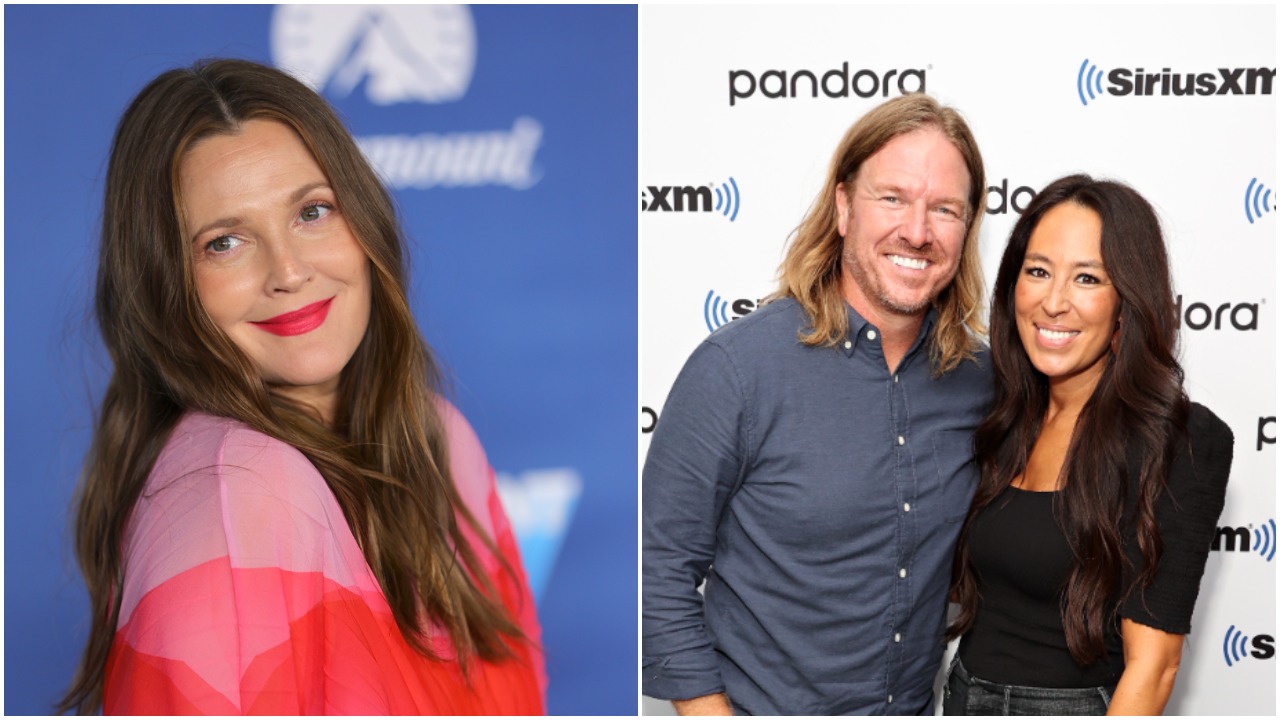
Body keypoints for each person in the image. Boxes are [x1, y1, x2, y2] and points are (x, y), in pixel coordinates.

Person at [56, 58, 545, 715]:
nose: (287, 271)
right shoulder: (242, 490)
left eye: (313, 212)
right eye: (224, 242)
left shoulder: (439, 438)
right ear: (164, 285)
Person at [643, 94, 993, 715]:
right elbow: (653, 569)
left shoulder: (982, 383)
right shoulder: (738, 370)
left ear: (967, 228)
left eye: (944, 209)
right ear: (841, 206)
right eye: (892, 198)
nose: (917, 230)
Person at [944, 175, 1234, 715]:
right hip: (963, 694)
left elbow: (1155, 668)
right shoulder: (1000, 411)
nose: (1054, 302)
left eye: (1087, 278)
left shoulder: (1179, 440)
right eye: (1038, 271)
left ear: (1127, 301)